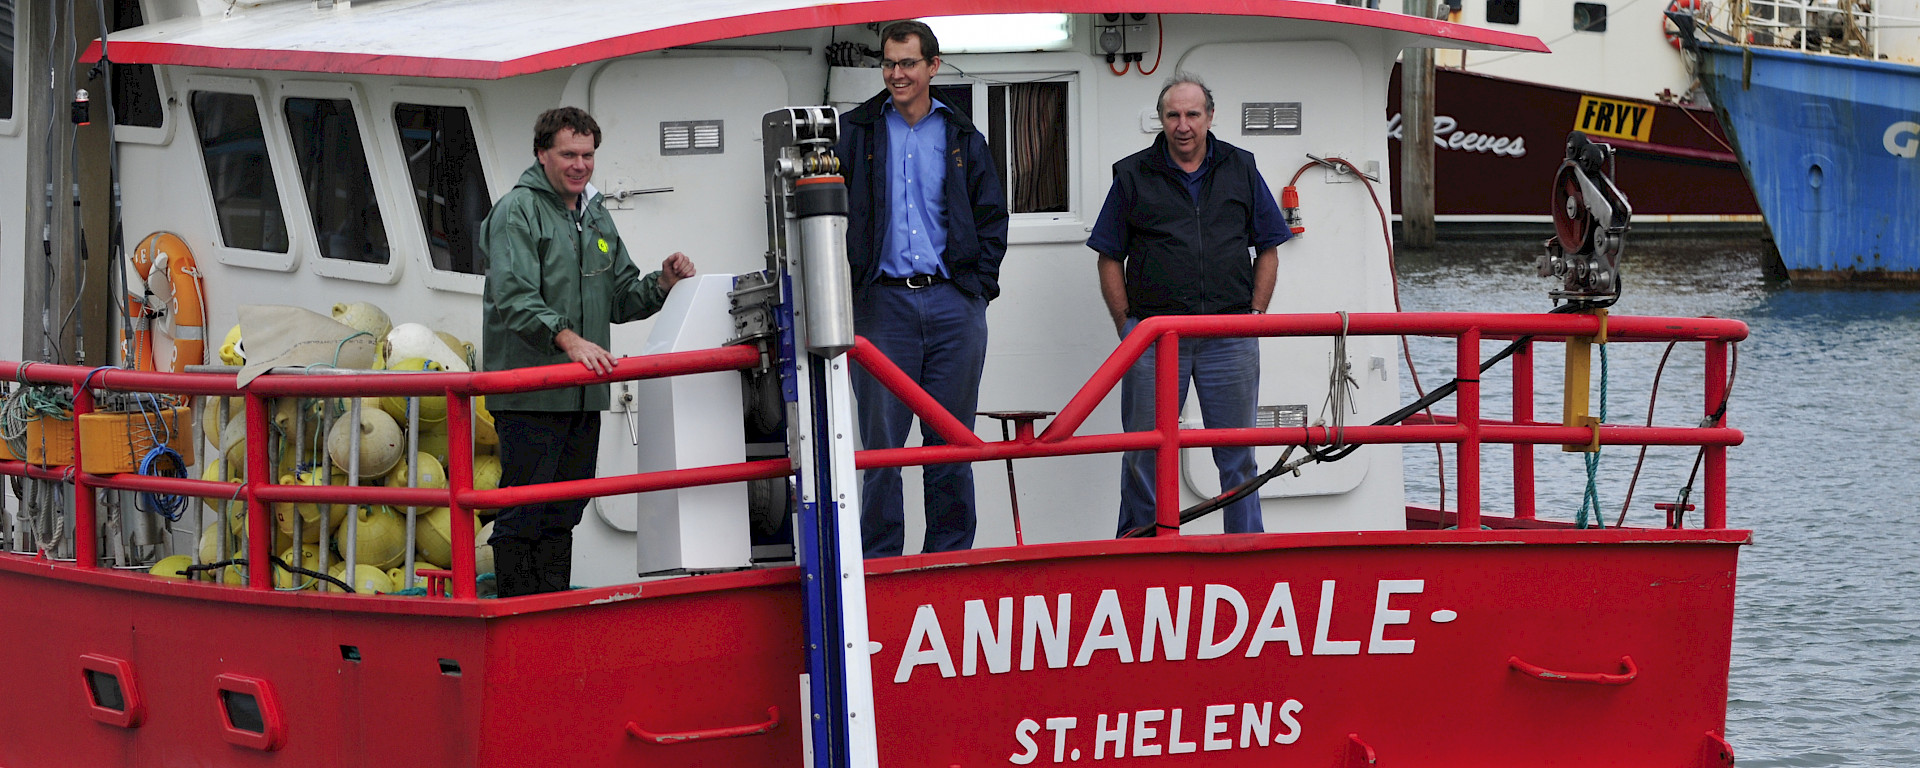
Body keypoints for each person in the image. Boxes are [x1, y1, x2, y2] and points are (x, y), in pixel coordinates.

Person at [479, 107, 696, 596]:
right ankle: (522, 620)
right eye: (568, 154)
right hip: (530, 395)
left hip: (582, 395)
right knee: (523, 516)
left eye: (588, 155)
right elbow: (514, 297)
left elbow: (619, 297)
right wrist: (569, 339)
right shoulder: (516, 211)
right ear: (541, 154)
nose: (580, 165)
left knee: (564, 514)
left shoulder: (593, 214)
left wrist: (662, 282)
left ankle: (553, 614)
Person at [1086, 73, 1293, 538]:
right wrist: (1128, 327)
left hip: (1229, 340)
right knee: (1143, 454)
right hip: (1156, 339)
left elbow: (1269, 248)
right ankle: (1144, 554)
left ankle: (1245, 550)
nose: (1183, 125)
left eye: (1192, 114)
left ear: (1210, 117)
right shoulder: (1132, 173)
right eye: (1173, 115)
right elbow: (1108, 257)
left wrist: (1254, 317)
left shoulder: (1241, 167)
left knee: (1238, 454)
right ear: (1160, 120)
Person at [837, 20, 1009, 558]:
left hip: (953, 303)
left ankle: (949, 558)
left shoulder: (962, 133)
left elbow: (991, 216)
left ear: (933, 66)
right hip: (881, 304)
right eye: (889, 63)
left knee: (951, 439)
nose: (896, 74)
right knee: (881, 446)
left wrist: (975, 290)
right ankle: (880, 563)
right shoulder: (856, 130)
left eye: (908, 63)